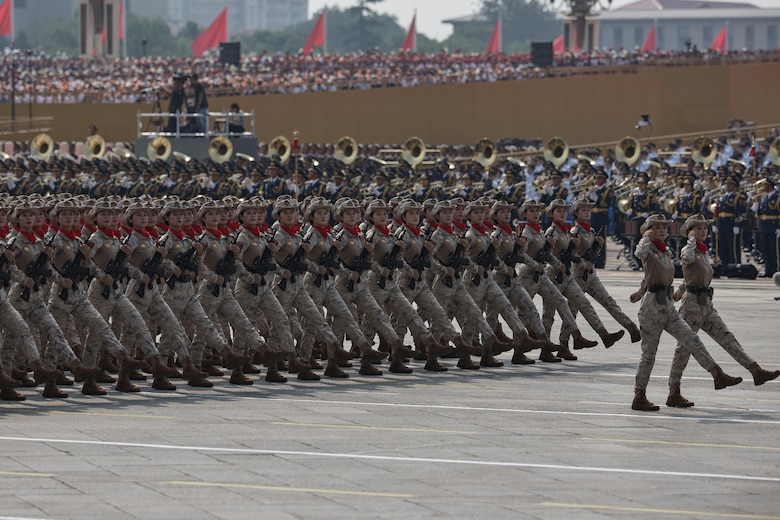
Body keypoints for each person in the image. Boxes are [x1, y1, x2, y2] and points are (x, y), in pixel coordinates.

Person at [629, 213, 742, 412]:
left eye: (665, 227)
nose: (663, 230)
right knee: (649, 354)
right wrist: (646, 236)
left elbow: (653, 276)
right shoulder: (648, 248)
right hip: (652, 308)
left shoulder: (665, 252)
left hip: (668, 307)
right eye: (657, 227)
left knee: (691, 339)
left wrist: (640, 290)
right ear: (649, 230)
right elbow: (639, 254)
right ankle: (639, 395)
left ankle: (716, 374)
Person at [666, 214, 780, 407]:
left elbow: (692, 276)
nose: (704, 231)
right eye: (699, 229)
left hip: (706, 304)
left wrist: (680, 289)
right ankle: (674, 391)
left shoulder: (703, 251)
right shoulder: (690, 249)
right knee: (683, 350)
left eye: (705, 228)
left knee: (727, 338)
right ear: (691, 232)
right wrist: (691, 241)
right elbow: (686, 259)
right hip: (692, 306)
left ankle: (755, 371)